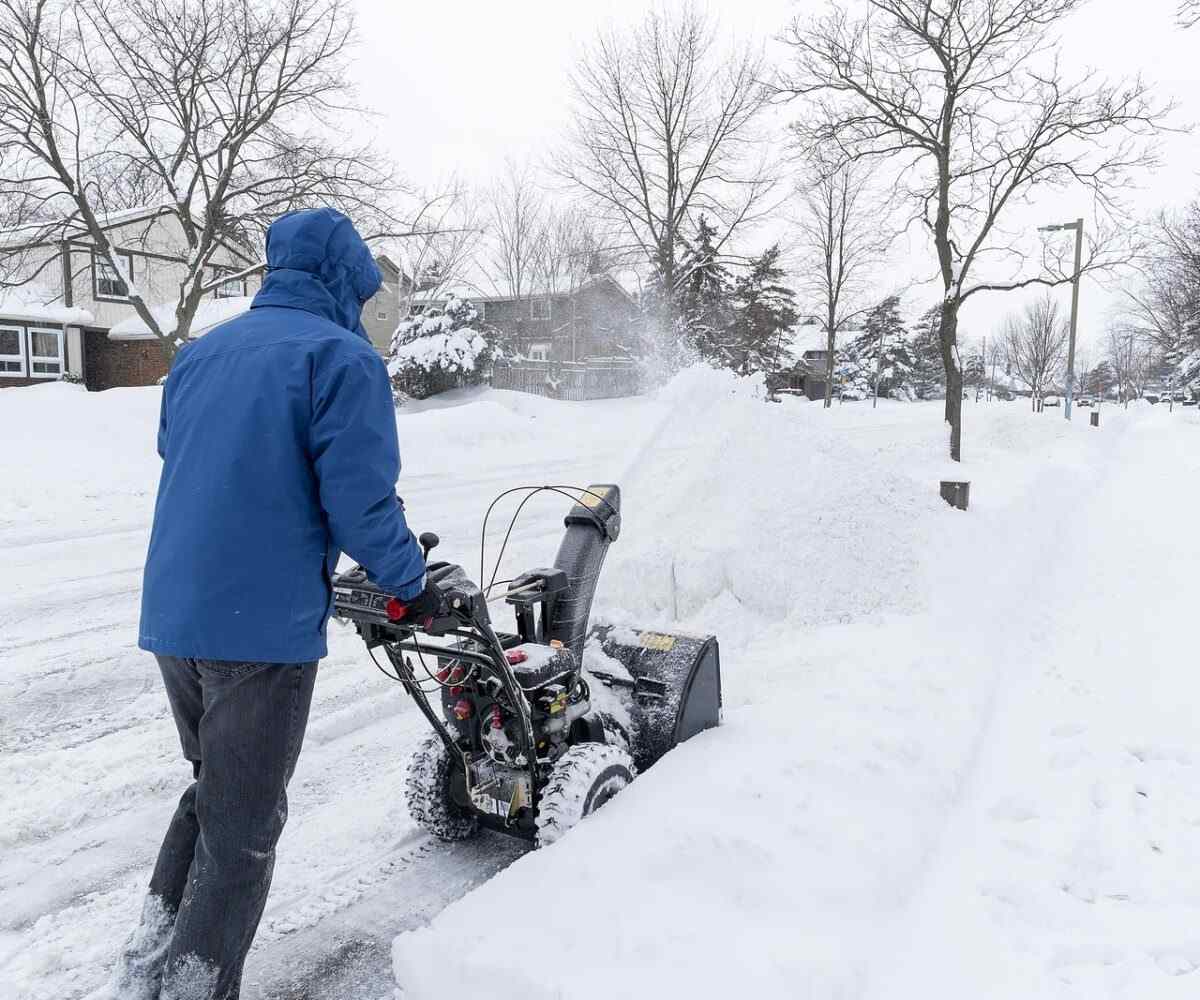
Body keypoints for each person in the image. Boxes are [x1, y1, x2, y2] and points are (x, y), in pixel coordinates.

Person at [105, 208, 445, 1000]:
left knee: (211, 792)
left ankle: (149, 964)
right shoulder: (342, 358)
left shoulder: (200, 355)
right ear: (345, 281)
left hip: (175, 613)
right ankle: (196, 988)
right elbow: (360, 503)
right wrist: (413, 586)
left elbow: (193, 455)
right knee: (245, 830)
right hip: (258, 630)